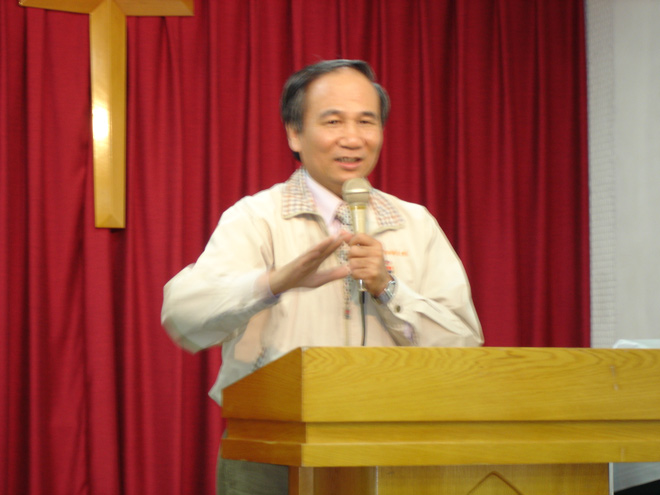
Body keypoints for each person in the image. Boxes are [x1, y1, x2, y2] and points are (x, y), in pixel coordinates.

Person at [161, 59, 483, 495]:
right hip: (272, 452)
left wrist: (389, 289)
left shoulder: (415, 223)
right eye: (333, 121)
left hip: (395, 449)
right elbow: (182, 316)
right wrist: (272, 284)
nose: (352, 138)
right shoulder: (257, 218)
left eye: (366, 122)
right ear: (295, 134)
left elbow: (463, 346)